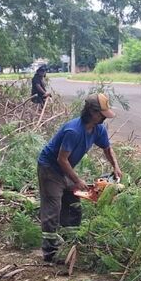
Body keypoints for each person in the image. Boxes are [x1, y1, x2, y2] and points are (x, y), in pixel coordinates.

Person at [36, 93, 123, 262]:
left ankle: (72, 241)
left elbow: (107, 148)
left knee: (74, 203)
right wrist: (77, 180)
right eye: (102, 115)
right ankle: (50, 252)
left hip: (65, 169)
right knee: (53, 207)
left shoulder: (98, 129)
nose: (104, 119)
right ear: (92, 112)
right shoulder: (73, 131)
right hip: (50, 168)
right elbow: (61, 159)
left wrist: (116, 166)